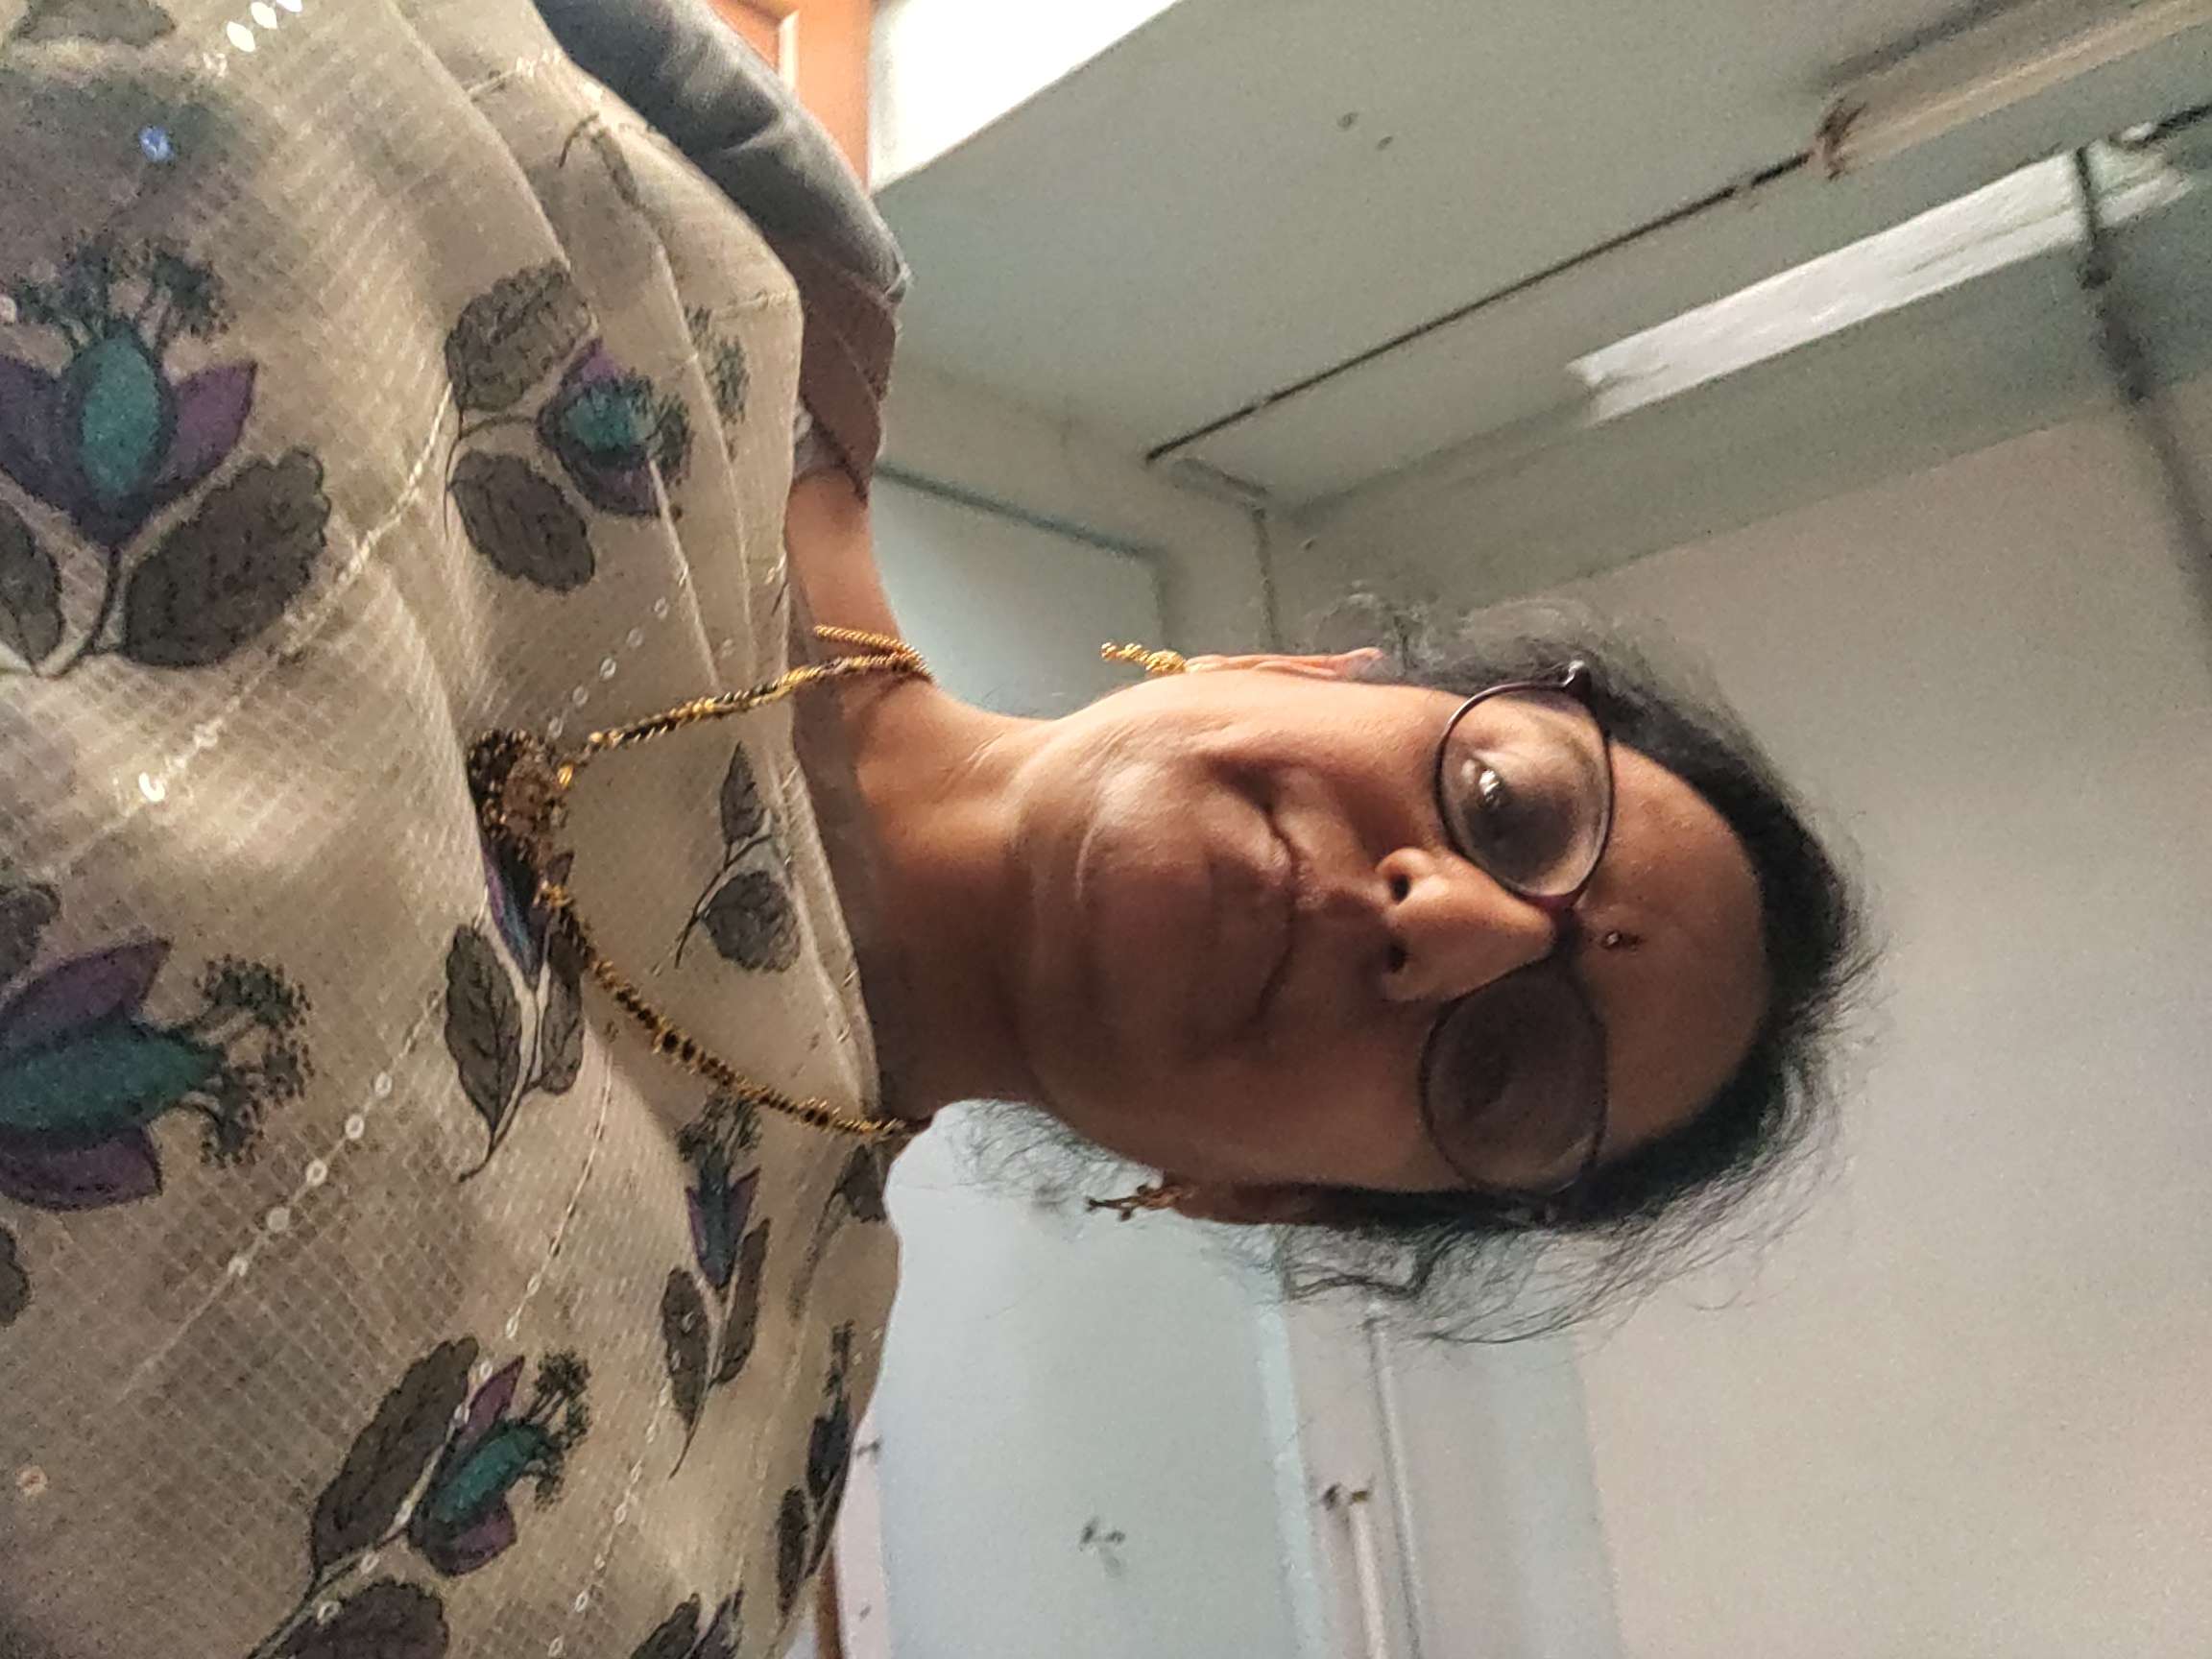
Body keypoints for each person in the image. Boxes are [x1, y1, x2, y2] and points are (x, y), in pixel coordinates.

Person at [0, 0, 1863, 1654]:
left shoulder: (697, 1518)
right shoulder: (762, 252)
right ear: (1302, 667)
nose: (1442, 929)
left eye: (1510, 1072)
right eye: (1506, 805)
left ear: (1269, 1199)